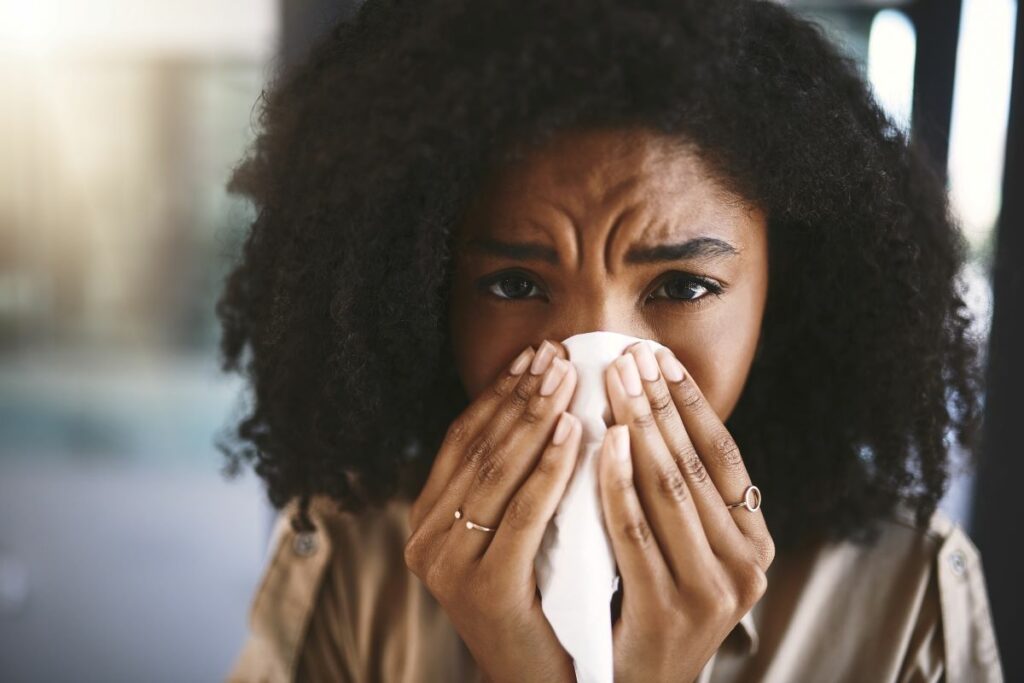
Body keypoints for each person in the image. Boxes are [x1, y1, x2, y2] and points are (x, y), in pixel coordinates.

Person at [216, 0, 1004, 680]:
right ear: (421, 293)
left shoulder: (904, 598)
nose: (597, 357)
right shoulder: (350, 558)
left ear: (785, 292)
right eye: (517, 285)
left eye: (682, 287)